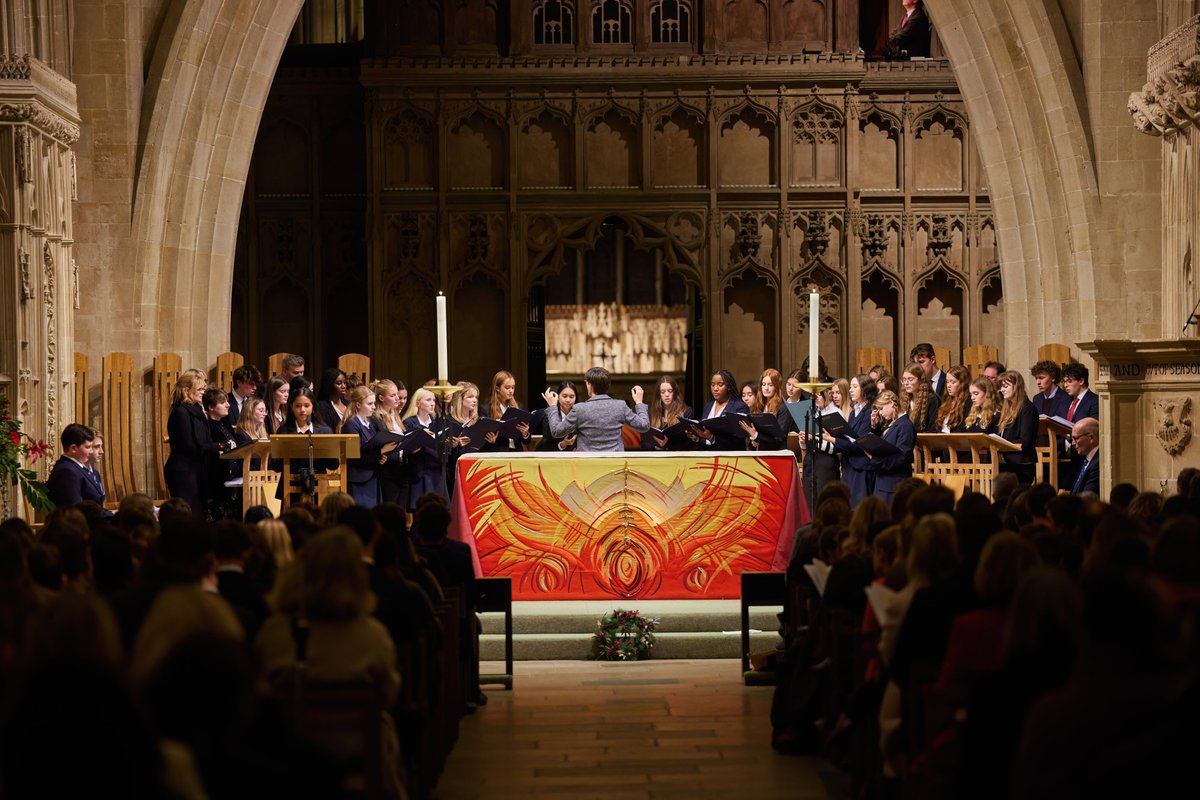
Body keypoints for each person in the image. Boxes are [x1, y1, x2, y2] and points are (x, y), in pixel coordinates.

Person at [544, 366, 649, 452]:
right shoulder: (620, 406)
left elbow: (557, 431)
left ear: (589, 385)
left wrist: (553, 406)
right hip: (615, 465)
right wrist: (639, 402)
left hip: (588, 466)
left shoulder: (579, 409)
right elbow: (644, 426)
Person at [164, 371, 219, 516]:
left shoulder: (197, 411)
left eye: (204, 389)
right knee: (188, 515)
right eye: (200, 389)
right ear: (187, 391)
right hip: (183, 472)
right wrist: (217, 446)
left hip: (196, 470)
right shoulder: (180, 412)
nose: (203, 393)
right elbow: (189, 446)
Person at [825, 375, 879, 507]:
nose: (850, 390)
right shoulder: (854, 412)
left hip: (861, 468)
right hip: (849, 465)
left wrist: (831, 438)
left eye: (855, 387)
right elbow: (846, 437)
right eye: (850, 387)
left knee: (859, 508)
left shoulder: (869, 412)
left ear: (865, 390)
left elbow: (859, 443)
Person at [340, 386, 395, 509]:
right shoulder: (351, 425)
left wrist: (380, 457)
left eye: (374, 403)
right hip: (358, 479)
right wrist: (382, 450)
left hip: (372, 477)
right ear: (358, 405)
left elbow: (371, 449)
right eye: (370, 404)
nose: (374, 407)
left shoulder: (369, 425)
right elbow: (355, 455)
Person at [402, 387, 448, 509]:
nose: (432, 403)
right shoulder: (410, 423)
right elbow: (406, 449)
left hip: (436, 471)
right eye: (428, 400)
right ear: (418, 403)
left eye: (433, 400)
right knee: (420, 510)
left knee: (438, 510)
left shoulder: (437, 423)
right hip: (420, 472)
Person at [867, 390, 915, 505]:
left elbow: (902, 458)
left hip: (894, 486)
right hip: (883, 483)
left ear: (891, 403)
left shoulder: (905, 426)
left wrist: (875, 460)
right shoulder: (892, 423)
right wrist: (873, 427)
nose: (880, 413)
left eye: (881, 408)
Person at [46, 423, 106, 509]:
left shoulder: (75, 468)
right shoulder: (67, 472)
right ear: (73, 448)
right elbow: (76, 511)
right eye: (88, 447)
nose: (91, 451)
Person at [202, 388, 238, 520]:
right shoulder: (207, 427)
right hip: (216, 480)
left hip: (231, 479)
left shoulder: (225, 423)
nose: (228, 405)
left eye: (227, 402)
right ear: (211, 407)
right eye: (223, 402)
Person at [997, 371, 1038, 484]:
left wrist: (1003, 444)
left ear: (1017, 386)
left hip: (1021, 464)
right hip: (1007, 463)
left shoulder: (1027, 408)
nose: (1002, 390)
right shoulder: (1007, 408)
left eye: (1005, 386)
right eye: (1001, 386)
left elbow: (1026, 440)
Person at [692, 370, 751, 450]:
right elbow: (704, 437)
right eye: (712, 385)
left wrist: (711, 437)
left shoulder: (739, 407)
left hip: (729, 457)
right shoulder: (707, 406)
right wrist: (697, 437)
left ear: (728, 387)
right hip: (706, 455)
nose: (715, 389)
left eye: (720, 385)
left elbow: (738, 439)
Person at [372, 379, 409, 506]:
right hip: (387, 471)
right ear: (381, 398)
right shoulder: (376, 418)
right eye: (392, 396)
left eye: (396, 395)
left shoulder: (395, 415)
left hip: (401, 469)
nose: (397, 399)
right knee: (390, 509)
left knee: (401, 511)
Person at [481, 370, 531, 452]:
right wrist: (491, 441)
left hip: (516, 453)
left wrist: (525, 433)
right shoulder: (486, 409)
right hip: (498, 453)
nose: (511, 391)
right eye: (507, 388)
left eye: (513, 387)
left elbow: (526, 441)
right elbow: (481, 439)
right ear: (497, 388)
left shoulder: (519, 407)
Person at [646, 375, 692, 450]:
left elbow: (689, 442)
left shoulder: (686, 411)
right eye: (663, 392)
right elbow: (646, 442)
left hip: (678, 457)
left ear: (675, 392)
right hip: (658, 458)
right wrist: (656, 446)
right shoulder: (652, 413)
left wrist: (667, 444)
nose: (667, 395)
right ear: (659, 394)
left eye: (670, 391)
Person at [536, 381, 579, 451]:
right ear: (558, 397)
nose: (568, 400)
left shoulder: (579, 414)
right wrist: (562, 444)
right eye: (564, 396)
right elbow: (546, 444)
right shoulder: (549, 415)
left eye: (571, 397)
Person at [900, 362, 940, 432]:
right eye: (904, 379)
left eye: (910, 379)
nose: (906, 383)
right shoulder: (905, 399)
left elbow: (933, 428)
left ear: (920, 380)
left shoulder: (932, 399)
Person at [934, 365, 972, 432]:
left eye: (953, 382)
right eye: (947, 382)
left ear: (962, 383)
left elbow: (964, 429)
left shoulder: (968, 402)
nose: (948, 385)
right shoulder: (946, 401)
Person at [1070, 417, 1099, 495]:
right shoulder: (1088, 460)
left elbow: (1088, 497)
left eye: (1076, 438)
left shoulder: (1098, 463)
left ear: (1091, 438)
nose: (1073, 443)